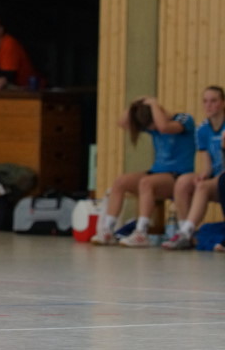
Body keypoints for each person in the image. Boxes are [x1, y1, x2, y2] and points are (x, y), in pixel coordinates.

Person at [91, 97, 195, 246]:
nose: (153, 129)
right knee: (120, 181)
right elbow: (122, 123)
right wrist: (135, 103)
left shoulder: (184, 119)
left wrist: (153, 104)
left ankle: (141, 232)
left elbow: (164, 127)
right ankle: (107, 229)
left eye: (152, 125)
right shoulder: (154, 126)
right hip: (157, 173)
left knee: (146, 182)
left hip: (178, 176)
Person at [162, 86, 225, 250]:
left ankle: (185, 232)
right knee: (183, 182)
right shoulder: (202, 129)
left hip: (223, 178)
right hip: (215, 177)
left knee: (203, 187)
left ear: (223, 103)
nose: (208, 105)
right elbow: (208, 165)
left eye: (213, 101)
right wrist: (203, 174)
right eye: (205, 101)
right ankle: (186, 231)